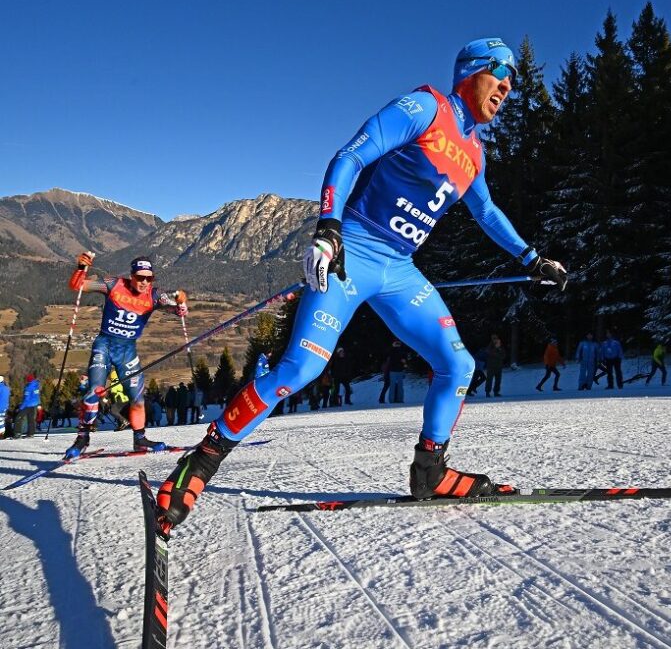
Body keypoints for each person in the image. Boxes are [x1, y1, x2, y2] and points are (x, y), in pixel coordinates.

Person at [155, 37, 567, 536]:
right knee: (300, 367)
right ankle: (199, 463)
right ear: (473, 71)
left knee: (457, 363)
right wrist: (327, 227)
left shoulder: (475, 153)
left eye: (513, 81)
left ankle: (430, 473)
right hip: (352, 251)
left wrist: (532, 258)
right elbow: (350, 155)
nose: (508, 86)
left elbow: (486, 212)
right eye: (500, 73)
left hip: (399, 269)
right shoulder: (424, 107)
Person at [62, 254, 187, 459]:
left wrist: (182, 303)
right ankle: (82, 439)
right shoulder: (113, 284)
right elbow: (78, 286)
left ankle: (140, 439)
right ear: (131, 276)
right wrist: (80, 267)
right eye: (140, 277)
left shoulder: (155, 295)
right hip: (104, 346)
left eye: (149, 278)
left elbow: (177, 308)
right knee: (95, 391)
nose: (144, 282)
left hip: (127, 352)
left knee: (137, 398)